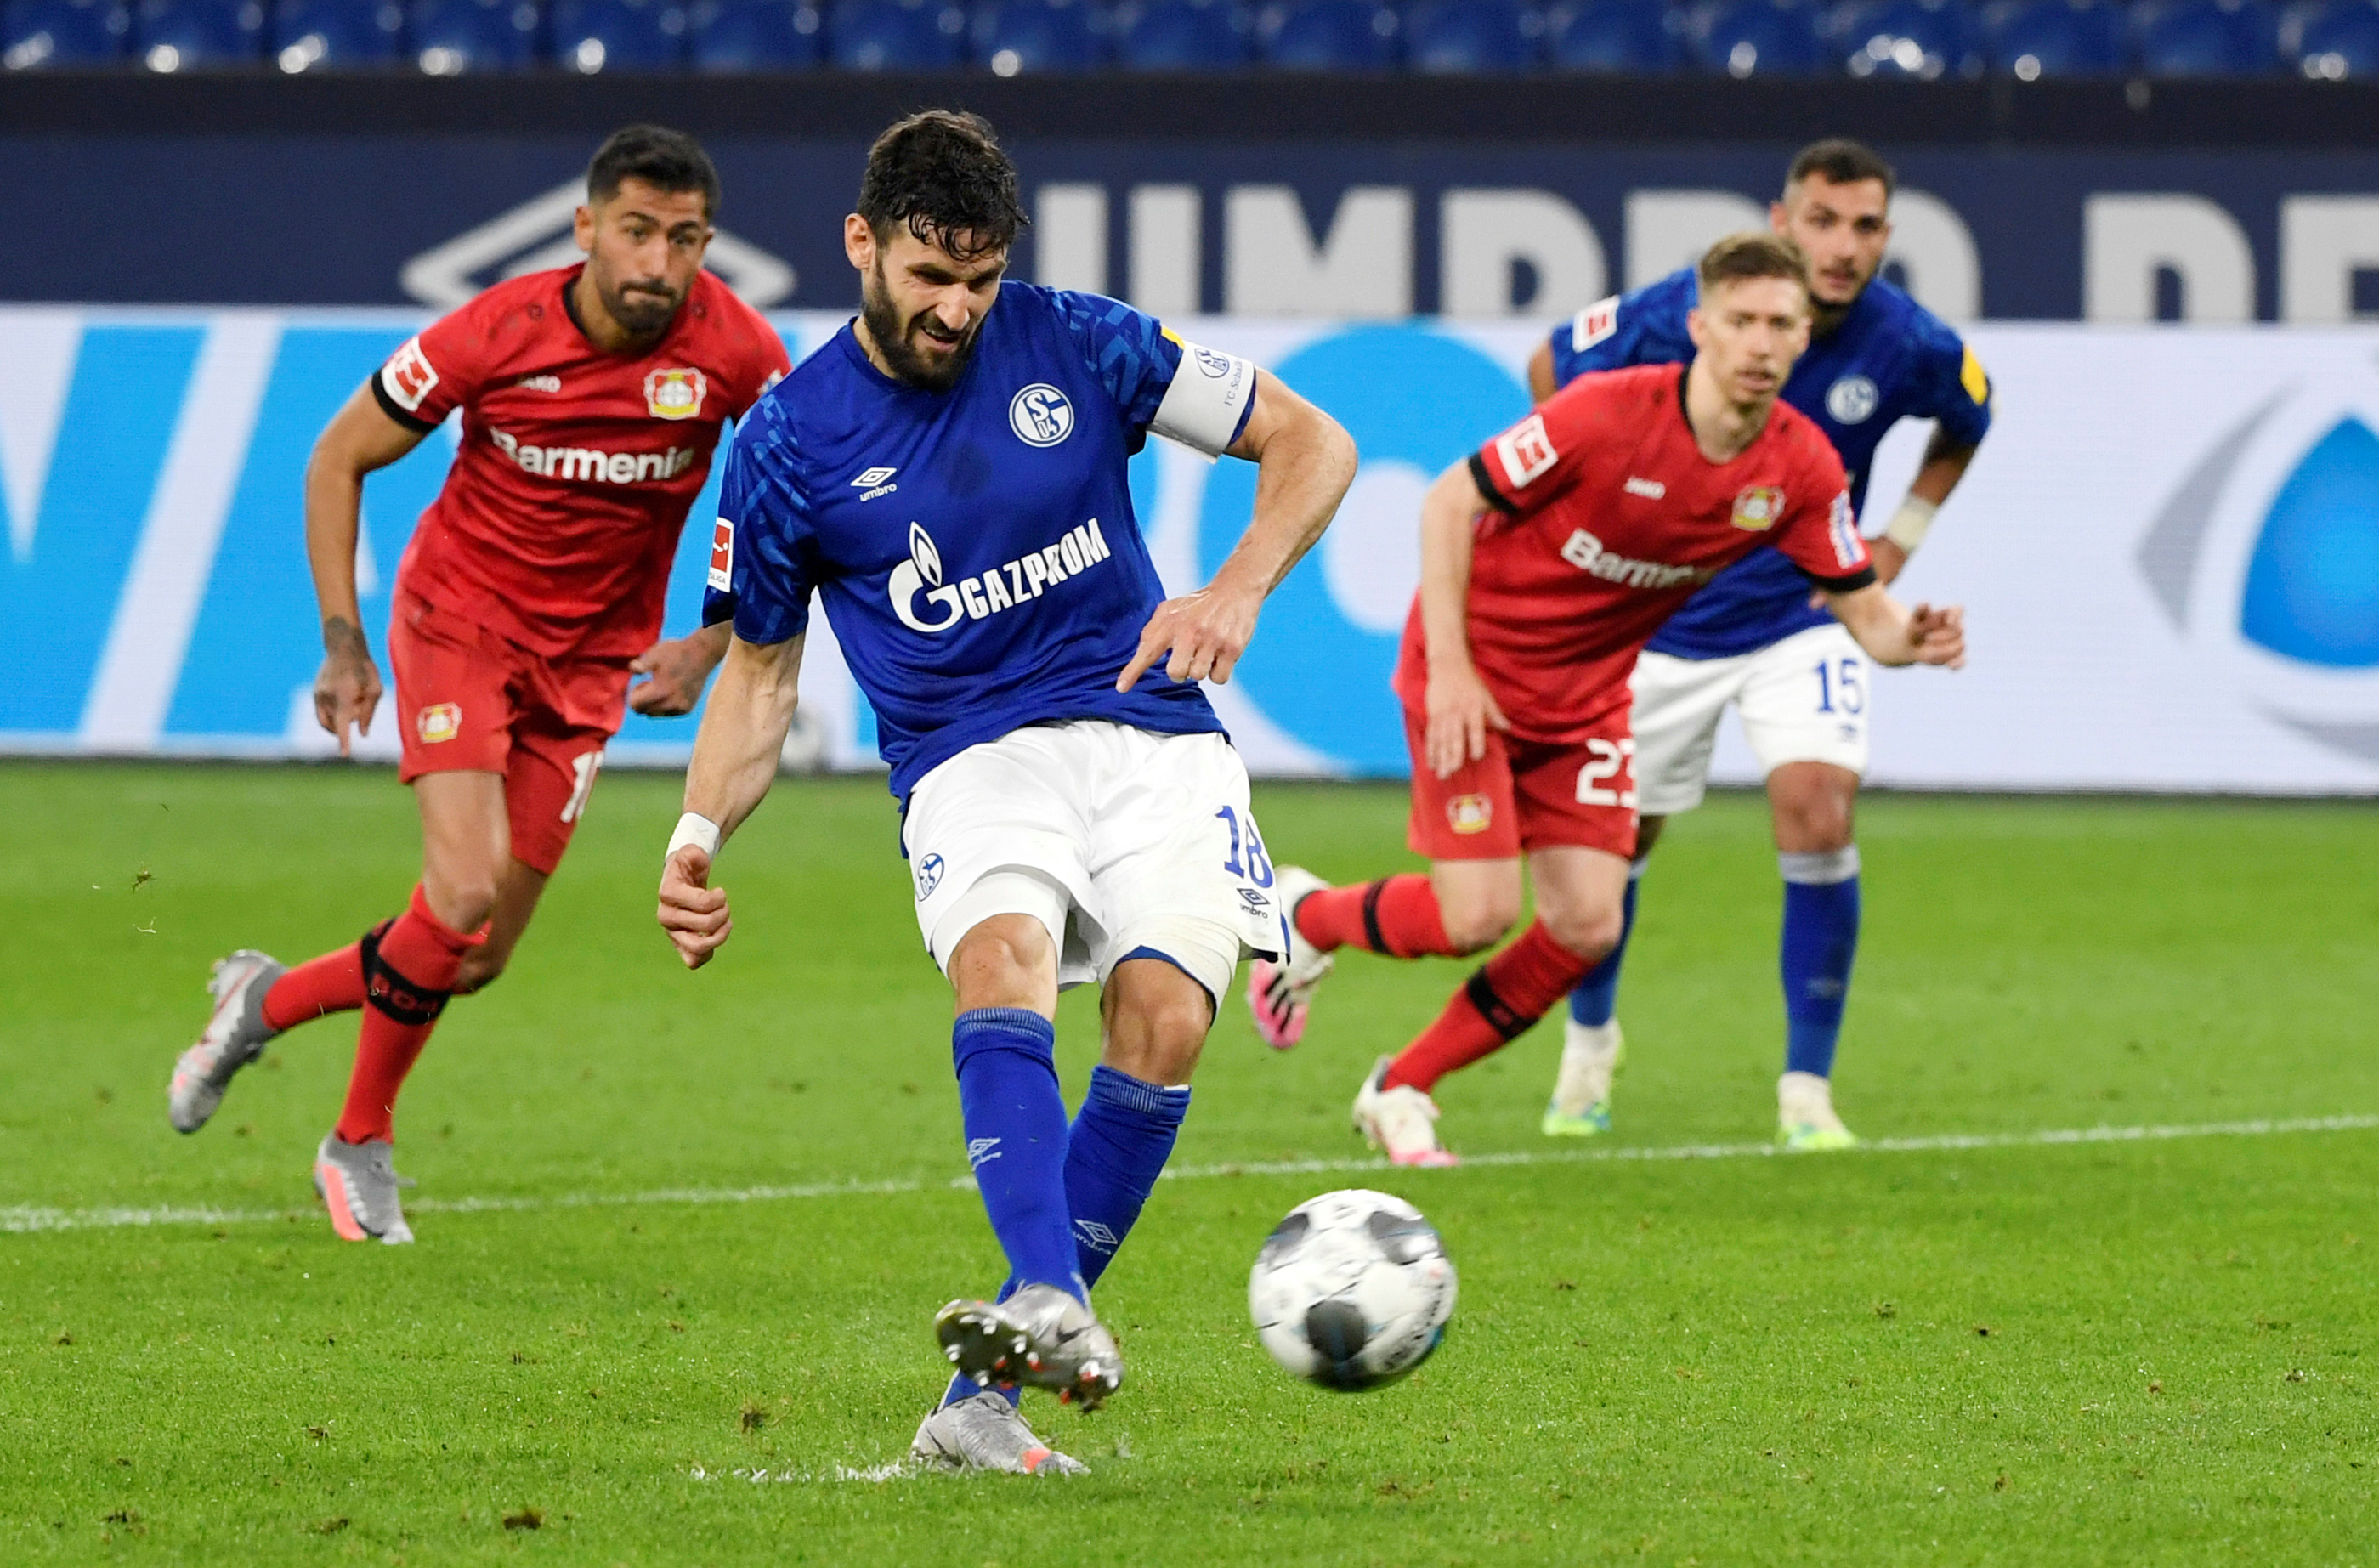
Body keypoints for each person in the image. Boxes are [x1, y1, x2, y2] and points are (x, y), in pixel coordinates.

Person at [652, 112, 1355, 1475]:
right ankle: (1044, 1294)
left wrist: (1236, 586)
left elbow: (1310, 442)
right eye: (927, 275)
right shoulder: (791, 438)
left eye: (977, 277)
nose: (955, 307)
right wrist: (694, 833)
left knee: (1160, 1020)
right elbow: (756, 676)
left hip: (1153, 729)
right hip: (970, 752)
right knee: (1005, 959)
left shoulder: (1079, 337)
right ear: (861, 244)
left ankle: (986, 1409)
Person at [167, 126, 791, 1243]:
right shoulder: (494, 331)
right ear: (586, 228)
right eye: (638, 233)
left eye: (684, 239)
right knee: (455, 896)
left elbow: (792, 496)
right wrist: (342, 640)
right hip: (457, 625)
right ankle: (359, 1141)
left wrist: (708, 642)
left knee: (480, 953)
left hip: (592, 665)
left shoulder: (738, 351)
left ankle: (263, 1001)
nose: (658, 263)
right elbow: (337, 454)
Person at [1249, 234, 1964, 1168]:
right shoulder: (1604, 414)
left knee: (1588, 925)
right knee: (1473, 918)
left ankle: (1403, 1085)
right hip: (1475, 669)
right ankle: (1306, 918)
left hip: (1585, 698)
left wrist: (1911, 641)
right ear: (1700, 326)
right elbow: (1447, 503)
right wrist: (1456, 671)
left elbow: (1866, 615)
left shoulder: (1802, 467)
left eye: (1779, 324)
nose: (1759, 342)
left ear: (1803, 339)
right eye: (1741, 321)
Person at [1527, 139, 1991, 1150]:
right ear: (1782, 221)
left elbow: (1972, 413)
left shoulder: (1905, 342)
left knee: (1817, 808)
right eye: (1822, 220)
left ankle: (1807, 1092)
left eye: (1865, 226)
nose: (1842, 245)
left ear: (1886, 237)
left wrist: (1896, 544)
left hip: (1805, 614)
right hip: (1662, 621)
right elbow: (1550, 363)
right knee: (1620, 849)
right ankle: (1590, 1048)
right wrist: (1605, 519)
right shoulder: (1678, 310)